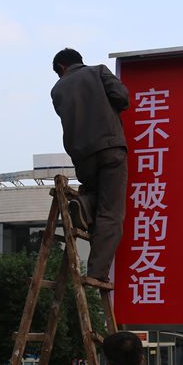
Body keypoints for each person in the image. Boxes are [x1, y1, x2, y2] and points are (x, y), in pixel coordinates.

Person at [51, 48, 129, 282]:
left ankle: (83, 204)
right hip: (110, 147)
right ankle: (97, 273)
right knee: (111, 212)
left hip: (82, 155)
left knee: (94, 195)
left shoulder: (57, 89)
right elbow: (122, 98)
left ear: (61, 67)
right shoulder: (98, 72)